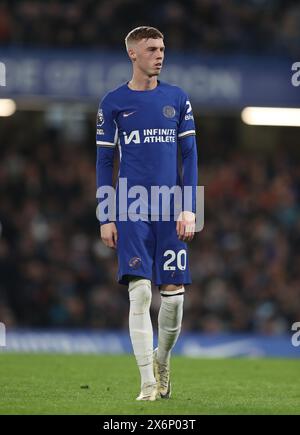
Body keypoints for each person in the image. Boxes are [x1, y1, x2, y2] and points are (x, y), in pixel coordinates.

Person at [96, 26, 198, 401]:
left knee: (174, 294)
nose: (160, 54)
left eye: (162, 48)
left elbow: (190, 156)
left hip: (173, 205)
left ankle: (163, 360)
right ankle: (147, 383)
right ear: (133, 54)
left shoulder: (178, 97)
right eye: (152, 48)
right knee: (139, 292)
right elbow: (105, 159)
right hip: (130, 203)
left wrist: (191, 208)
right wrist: (105, 215)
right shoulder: (112, 102)